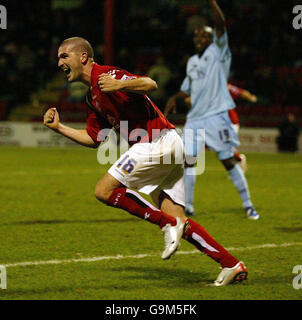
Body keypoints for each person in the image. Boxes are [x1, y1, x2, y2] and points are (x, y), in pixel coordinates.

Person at [43, 36, 248, 286]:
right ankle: (231, 264)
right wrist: (59, 128)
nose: (59, 62)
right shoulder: (92, 97)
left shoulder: (106, 75)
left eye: (64, 56)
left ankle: (167, 224)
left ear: (83, 57)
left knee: (104, 190)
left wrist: (119, 84)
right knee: (179, 221)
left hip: (156, 142)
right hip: (166, 146)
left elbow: (150, 84)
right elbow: (94, 139)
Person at [165, 0, 259, 220]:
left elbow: (221, 24)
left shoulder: (219, 54)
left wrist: (212, 4)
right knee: (188, 161)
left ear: (212, 39)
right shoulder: (192, 62)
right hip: (195, 119)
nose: (199, 39)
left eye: (204, 36)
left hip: (216, 117)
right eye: (196, 36)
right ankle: (187, 206)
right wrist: (174, 98)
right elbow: (186, 89)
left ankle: (248, 205)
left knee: (227, 161)